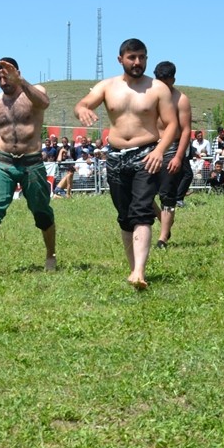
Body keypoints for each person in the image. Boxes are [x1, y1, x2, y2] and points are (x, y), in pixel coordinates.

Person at [75, 38, 178, 289]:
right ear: (120, 59)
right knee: (124, 216)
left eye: (142, 57)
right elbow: (83, 103)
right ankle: (133, 268)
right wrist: (82, 110)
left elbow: (172, 124)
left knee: (142, 211)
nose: (137, 62)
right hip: (116, 156)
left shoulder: (157, 89)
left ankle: (140, 272)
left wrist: (160, 151)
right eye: (132, 57)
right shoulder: (108, 86)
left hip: (147, 154)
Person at [0, 58, 57, 275]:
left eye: (7, 76)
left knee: (41, 212)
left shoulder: (34, 92)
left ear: (17, 73)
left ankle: (50, 254)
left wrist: (21, 81)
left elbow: (44, 103)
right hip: (4, 162)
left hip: (31, 162)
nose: (3, 81)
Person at [152, 60, 193, 249]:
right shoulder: (149, 95)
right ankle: (164, 221)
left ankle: (162, 239)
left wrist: (178, 156)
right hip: (150, 146)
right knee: (141, 192)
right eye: (159, 80)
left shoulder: (180, 99)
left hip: (172, 148)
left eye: (166, 82)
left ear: (173, 80)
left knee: (167, 195)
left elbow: (185, 130)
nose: (162, 85)